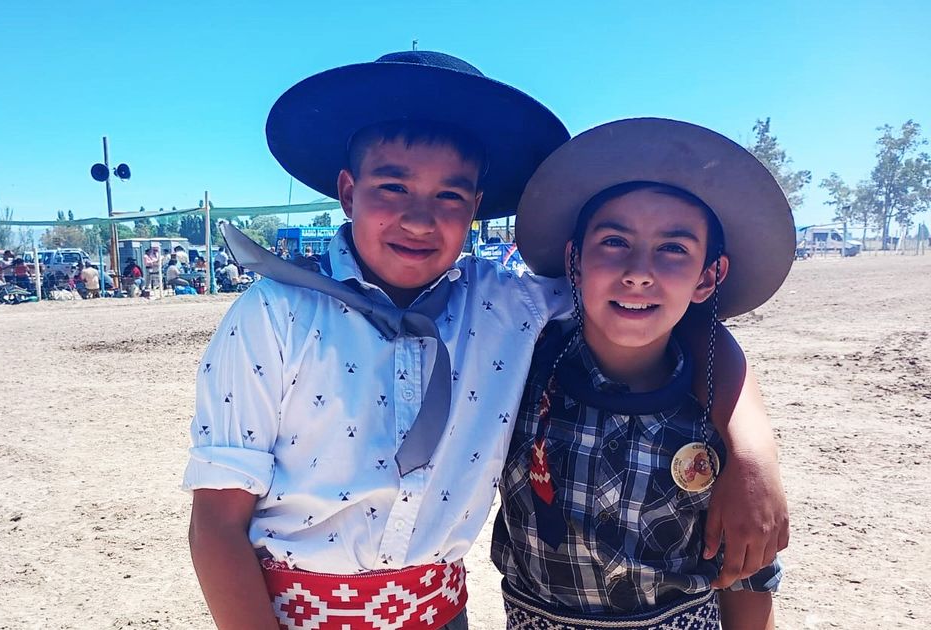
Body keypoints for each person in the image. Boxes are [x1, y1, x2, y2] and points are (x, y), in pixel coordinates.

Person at [185, 52, 787, 630]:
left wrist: (753, 451)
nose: (420, 220)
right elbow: (216, 522)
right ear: (347, 192)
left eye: (450, 196)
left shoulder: (506, 305)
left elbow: (669, 313)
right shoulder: (274, 316)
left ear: (475, 206)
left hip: (443, 617)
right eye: (392, 188)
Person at [493, 119, 792, 629]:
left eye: (673, 249)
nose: (638, 271)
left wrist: (751, 455)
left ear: (708, 277)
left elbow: (747, 574)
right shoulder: (520, 368)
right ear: (575, 259)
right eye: (613, 241)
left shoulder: (712, 417)